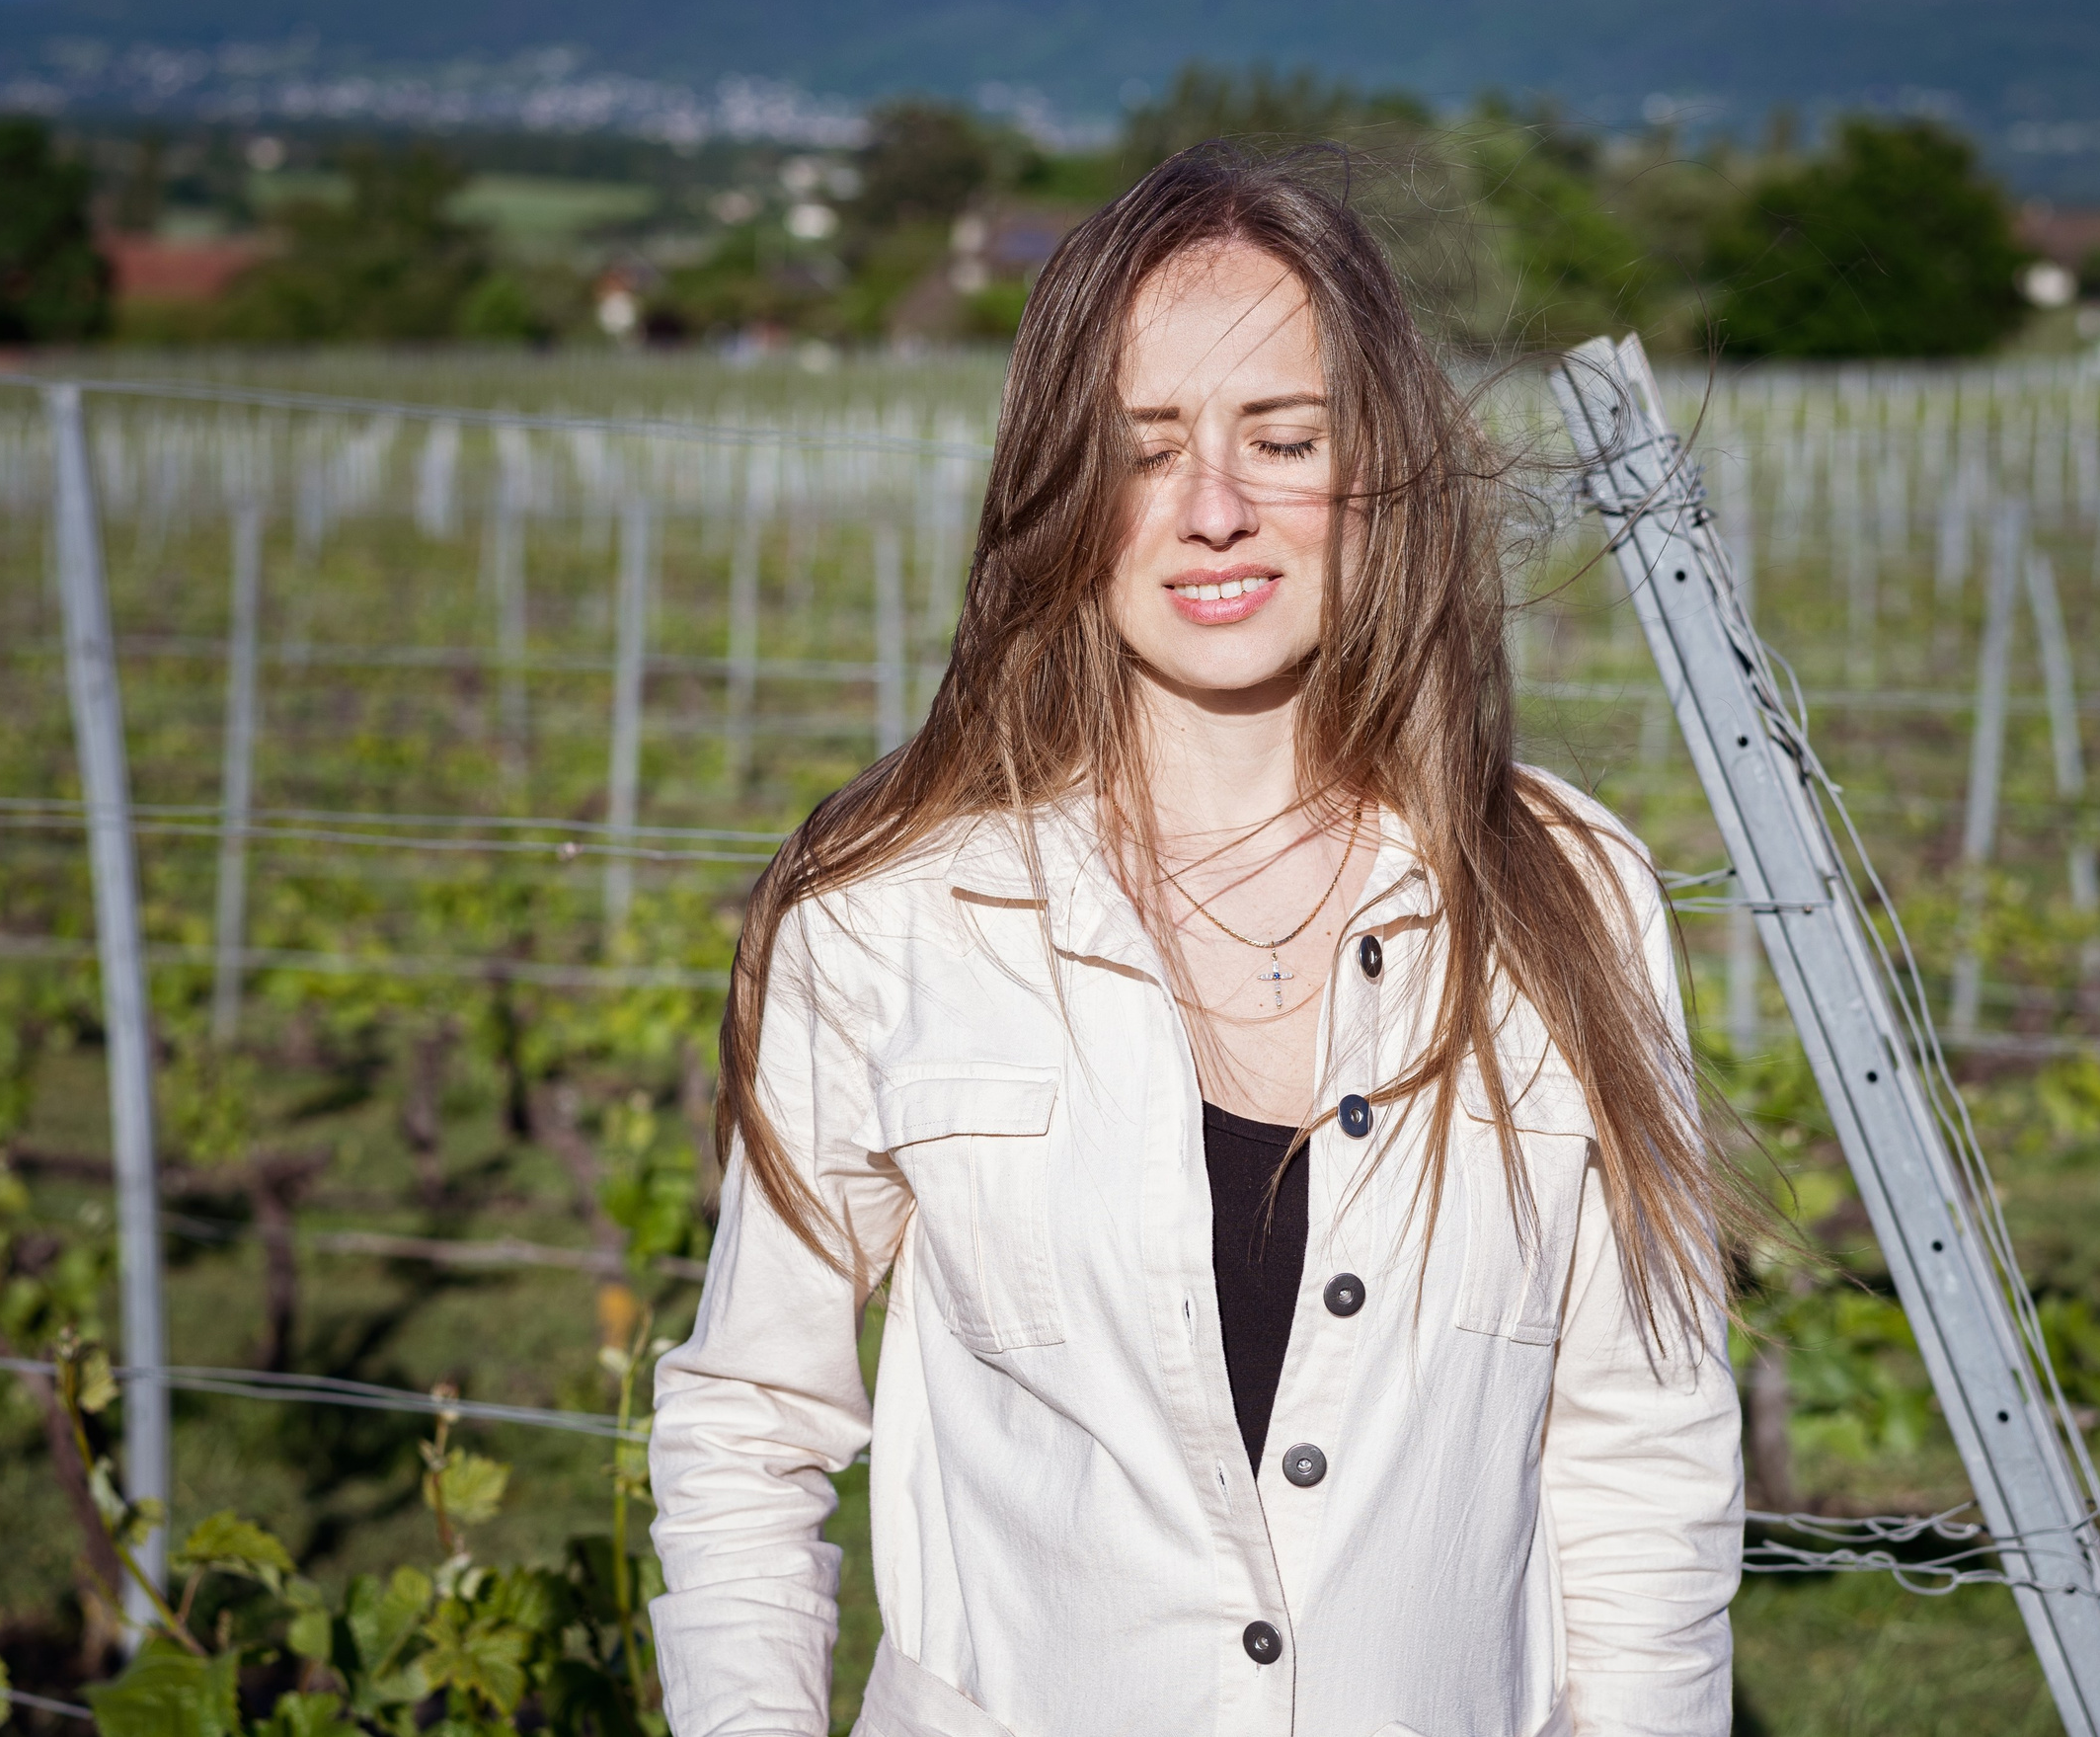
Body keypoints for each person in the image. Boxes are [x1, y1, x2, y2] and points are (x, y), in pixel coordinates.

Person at [648, 146, 1742, 1737]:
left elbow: (1640, 1444)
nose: (1215, 509)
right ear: (1060, 493)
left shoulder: (1566, 888)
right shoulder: (888, 917)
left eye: (1281, 439)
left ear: (1378, 470)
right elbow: (749, 1418)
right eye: (1144, 450)